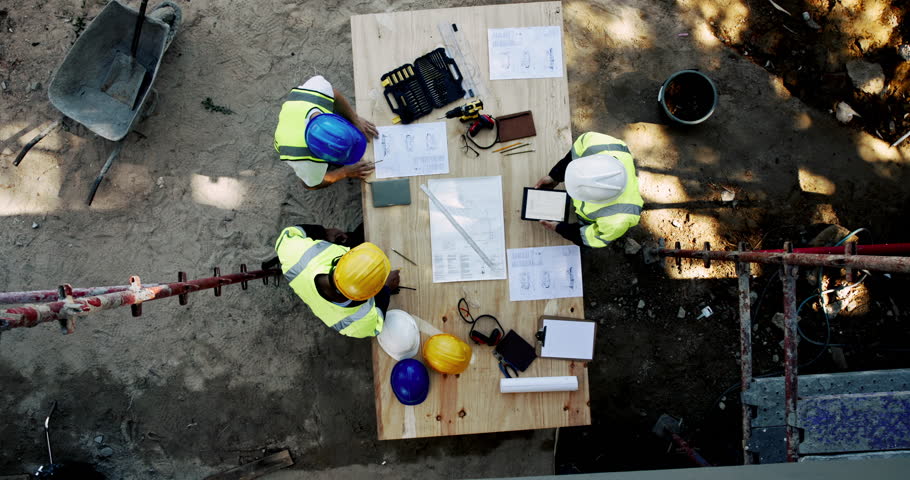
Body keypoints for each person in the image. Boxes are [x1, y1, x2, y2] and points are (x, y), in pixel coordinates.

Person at [267, 224, 400, 338]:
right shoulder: (359, 321)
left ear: (340, 260)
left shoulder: (294, 252)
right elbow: (376, 327)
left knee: (353, 236)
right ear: (368, 295)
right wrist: (386, 289)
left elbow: (288, 234)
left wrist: (324, 233)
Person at [532, 132, 643, 248]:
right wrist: (554, 176)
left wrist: (560, 228)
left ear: (594, 199)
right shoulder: (594, 142)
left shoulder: (616, 222)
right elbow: (573, 156)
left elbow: (590, 238)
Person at [274, 75, 379, 190]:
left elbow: (334, 94)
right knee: (318, 173)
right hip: (289, 142)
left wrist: (355, 119)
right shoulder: (304, 160)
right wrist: (345, 172)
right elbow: (310, 184)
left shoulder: (317, 93)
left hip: (295, 115)